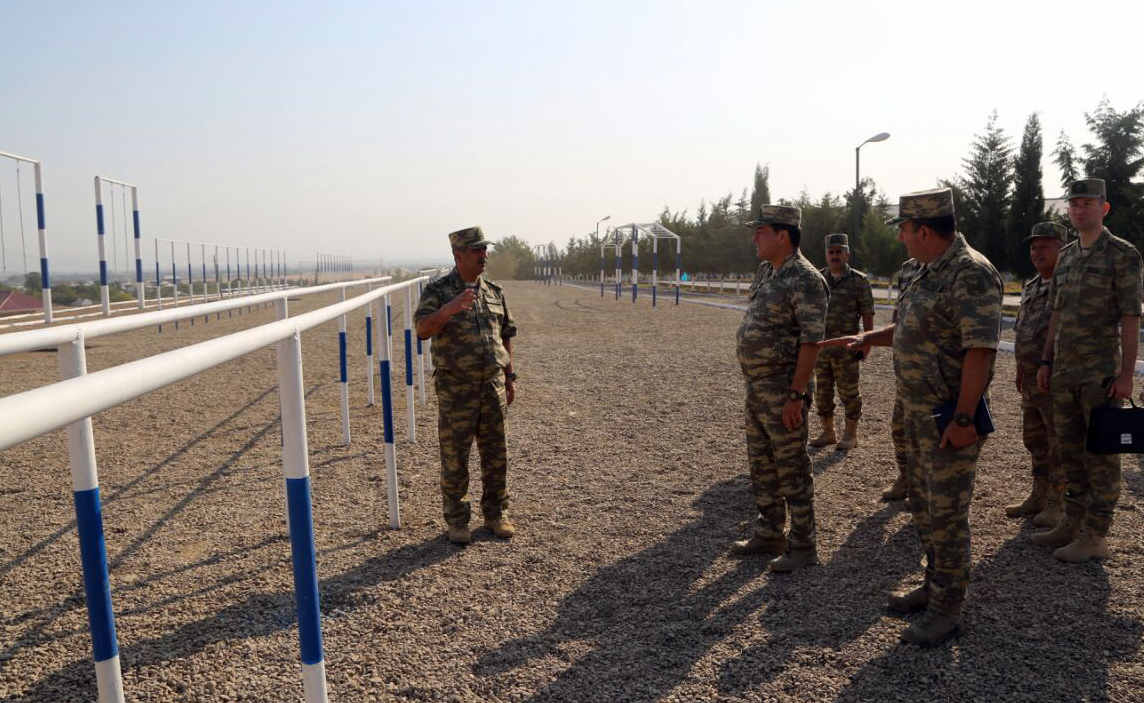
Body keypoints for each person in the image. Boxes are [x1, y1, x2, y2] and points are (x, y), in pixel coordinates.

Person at [822, 187, 1002, 645]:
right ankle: (932, 584)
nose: (900, 237)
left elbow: (980, 350)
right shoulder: (925, 270)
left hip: (948, 417)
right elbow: (907, 327)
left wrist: (964, 420)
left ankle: (948, 608)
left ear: (924, 230)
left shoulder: (971, 272)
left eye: (903, 229)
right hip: (918, 412)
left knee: (947, 514)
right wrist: (868, 338)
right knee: (923, 507)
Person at [1032, 178, 1142, 562]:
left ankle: (1097, 535)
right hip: (1064, 372)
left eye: (1088, 204)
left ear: (1103, 208)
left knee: (1101, 456)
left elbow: (1131, 317)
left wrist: (1126, 375)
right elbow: (1056, 314)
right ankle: (1072, 522)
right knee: (1069, 452)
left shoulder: (1122, 254)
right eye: (1074, 204)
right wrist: (1046, 360)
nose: (1080, 210)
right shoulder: (1067, 256)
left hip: (1100, 375)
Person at [730, 204, 829, 573]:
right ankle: (770, 531)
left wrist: (795, 395)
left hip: (784, 388)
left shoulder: (805, 278)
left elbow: (811, 341)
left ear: (783, 235)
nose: (755, 237)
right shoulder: (767, 271)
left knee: (791, 468)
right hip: (757, 387)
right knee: (762, 465)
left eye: (762, 231)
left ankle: (803, 544)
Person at [414, 226, 518, 545]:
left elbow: (506, 335)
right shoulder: (438, 291)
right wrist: (449, 308)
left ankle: (496, 514)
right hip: (457, 391)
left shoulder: (495, 291)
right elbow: (422, 330)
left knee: (496, 455)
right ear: (458, 255)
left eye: (484, 249)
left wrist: (510, 377)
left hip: (492, 387)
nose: (483, 255)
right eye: (476, 250)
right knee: (455, 457)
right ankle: (457, 521)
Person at [1007, 222, 1068, 528]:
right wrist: (1020, 368)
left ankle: (1059, 503)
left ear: (1062, 248)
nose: (1036, 252)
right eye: (1033, 247)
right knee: (1034, 439)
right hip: (1031, 379)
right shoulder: (1032, 285)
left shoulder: (1067, 284)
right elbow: (1023, 330)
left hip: (1055, 379)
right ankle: (1039, 495)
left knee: (1058, 442)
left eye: (1044, 246)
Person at [810, 233, 874, 450]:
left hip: (847, 348)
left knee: (849, 392)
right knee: (822, 392)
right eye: (831, 252)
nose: (835, 256)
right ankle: (828, 432)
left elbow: (867, 312)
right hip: (822, 347)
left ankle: (850, 435)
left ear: (847, 254)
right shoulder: (818, 278)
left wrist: (867, 341)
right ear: (826, 255)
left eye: (839, 252)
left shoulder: (859, 281)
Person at [882, 257, 921, 501]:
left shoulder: (954, 267)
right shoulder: (907, 268)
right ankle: (906, 478)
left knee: (928, 437)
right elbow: (900, 309)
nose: (901, 239)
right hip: (907, 369)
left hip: (934, 374)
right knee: (899, 428)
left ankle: (924, 491)